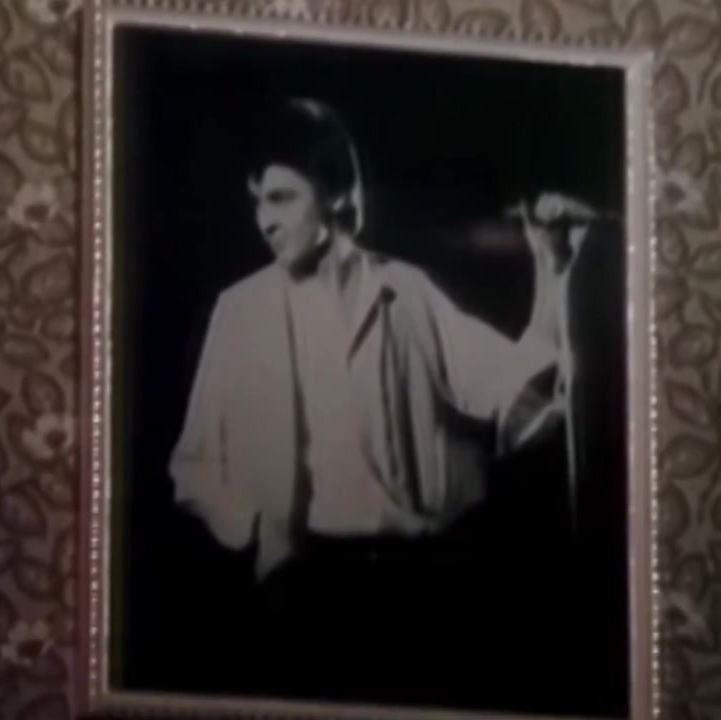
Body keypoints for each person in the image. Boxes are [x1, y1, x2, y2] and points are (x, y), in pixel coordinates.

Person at [167, 98, 598, 584]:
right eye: (258, 203)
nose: (264, 220)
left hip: (414, 575)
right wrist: (257, 533)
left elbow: (515, 388)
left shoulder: (405, 291)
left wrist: (552, 268)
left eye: (281, 198)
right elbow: (194, 467)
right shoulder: (241, 311)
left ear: (335, 192)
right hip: (305, 583)